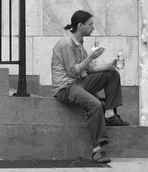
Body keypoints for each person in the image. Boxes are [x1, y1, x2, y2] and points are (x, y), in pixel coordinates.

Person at [50, 10, 129, 163]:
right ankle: (97, 151)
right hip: (66, 88)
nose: (93, 28)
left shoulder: (79, 44)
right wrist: (90, 57)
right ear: (80, 25)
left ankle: (110, 115)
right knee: (95, 104)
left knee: (112, 74)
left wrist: (109, 66)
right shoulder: (66, 44)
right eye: (90, 24)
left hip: (79, 83)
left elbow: (88, 69)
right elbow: (72, 72)